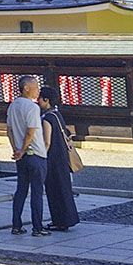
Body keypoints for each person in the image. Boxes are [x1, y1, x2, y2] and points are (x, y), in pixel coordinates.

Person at [7, 74, 49, 235]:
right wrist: (23, 149)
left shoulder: (13, 105)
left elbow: (9, 130)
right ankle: (37, 227)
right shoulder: (32, 107)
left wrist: (16, 150)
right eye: (36, 87)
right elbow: (31, 131)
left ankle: (16, 224)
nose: (38, 91)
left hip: (21, 155)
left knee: (21, 190)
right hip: (35, 152)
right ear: (26, 88)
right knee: (37, 192)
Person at [39, 84, 80, 231]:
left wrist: (42, 155)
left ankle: (58, 220)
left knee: (54, 190)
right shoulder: (57, 114)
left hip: (53, 158)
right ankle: (68, 218)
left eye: (40, 98)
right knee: (64, 188)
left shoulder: (47, 118)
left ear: (46, 100)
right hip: (62, 156)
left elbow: (47, 141)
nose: (38, 101)